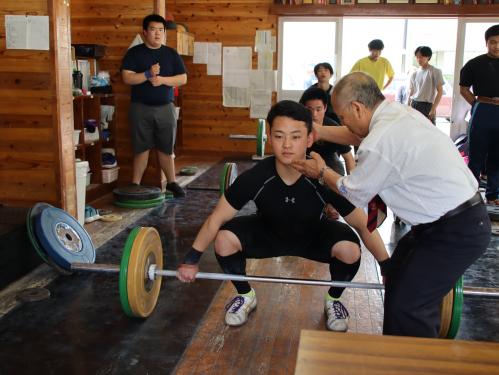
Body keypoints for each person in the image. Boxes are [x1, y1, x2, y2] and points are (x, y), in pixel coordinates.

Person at [292, 72, 490, 338]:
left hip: (456, 231)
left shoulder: (379, 141)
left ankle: (410, 364)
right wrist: (319, 131)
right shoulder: (396, 113)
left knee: (409, 307)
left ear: (357, 108)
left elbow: (354, 193)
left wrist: (320, 172)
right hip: (447, 223)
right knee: (396, 277)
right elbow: (358, 135)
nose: (343, 123)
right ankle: (400, 354)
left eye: (342, 117)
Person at [177, 100, 389, 332]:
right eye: (279, 136)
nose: (287, 145)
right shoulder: (256, 177)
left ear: (309, 139)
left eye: (295, 137)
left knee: (350, 248)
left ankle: (334, 299)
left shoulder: (323, 177)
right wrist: (191, 259)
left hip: (313, 237)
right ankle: (245, 295)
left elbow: (362, 224)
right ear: (269, 137)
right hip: (268, 234)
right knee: (224, 238)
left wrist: (387, 268)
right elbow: (216, 219)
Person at [121, 14, 187, 197]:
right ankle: (135, 184)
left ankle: (172, 183)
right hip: (140, 107)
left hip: (165, 107)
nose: (157, 34)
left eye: (161, 30)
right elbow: (127, 77)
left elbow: (183, 78)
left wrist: (163, 80)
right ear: (144, 32)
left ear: (164, 33)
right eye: (153, 29)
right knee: (141, 147)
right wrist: (148, 74)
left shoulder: (171, 54)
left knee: (166, 147)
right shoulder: (134, 53)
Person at [459, 24, 499, 206]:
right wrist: (476, 104)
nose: (497, 46)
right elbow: (464, 88)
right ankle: (470, 193)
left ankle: (492, 195)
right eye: (493, 42)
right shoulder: (474, 64)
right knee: (475, 154)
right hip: (482, 108)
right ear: (486, 43)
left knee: (497, 157)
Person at [299, 87, 355, 176]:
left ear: (325, 108)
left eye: (318, 109)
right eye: (309, 110)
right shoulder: (298, 126)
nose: (314, 114)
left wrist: (351, 186)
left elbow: (348, 158)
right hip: (304, 160)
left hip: (329, 161)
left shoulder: (333, 126)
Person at [408, 46, 444, 125]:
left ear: (428, 57)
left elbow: (440, 91)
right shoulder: (414, 73)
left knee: (429, 131)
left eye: (421, 57)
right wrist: (408, 105)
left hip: (427, 106)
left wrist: (433, 109)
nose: (418, 59)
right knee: (414, 130)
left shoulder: (435, 71)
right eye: (417, 57)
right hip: (414, 104)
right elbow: (411, 91)